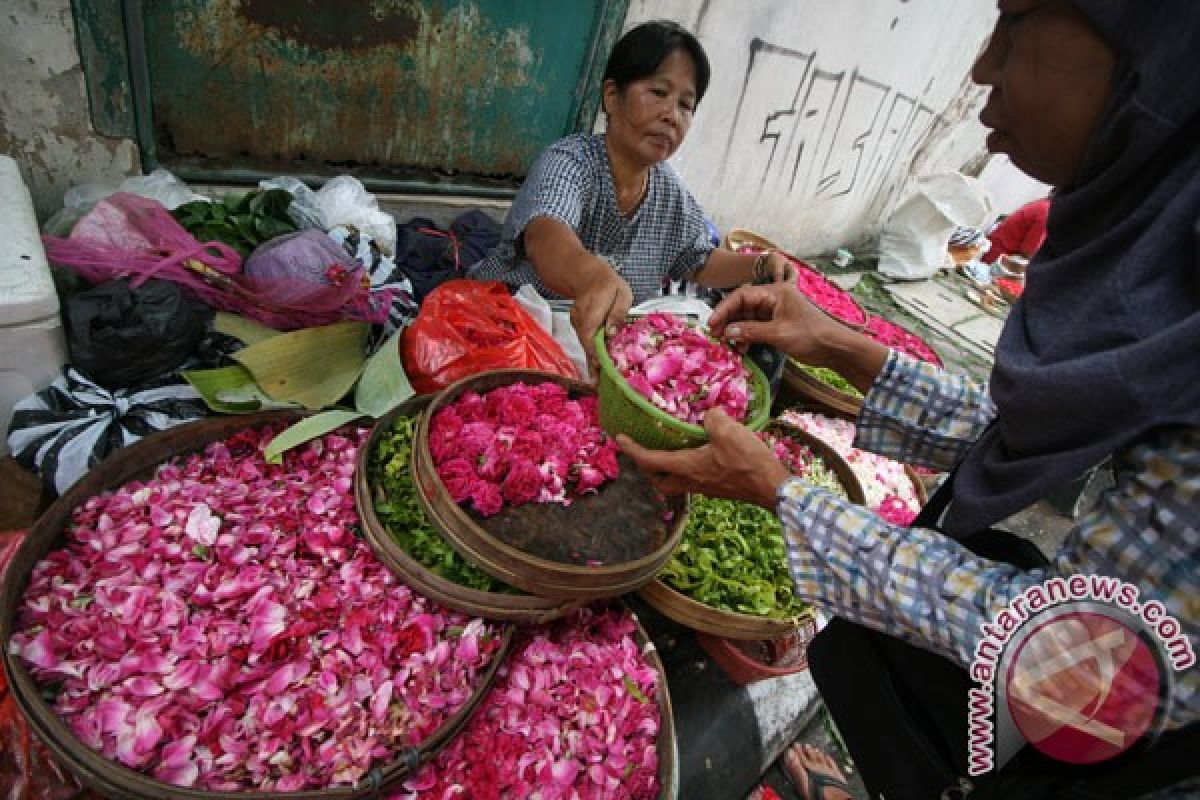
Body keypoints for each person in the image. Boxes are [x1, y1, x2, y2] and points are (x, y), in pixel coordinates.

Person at [620, 1, 1199, 798]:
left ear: (1160, 58)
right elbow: (1025, 438)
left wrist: (781, 495)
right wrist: (837, 344)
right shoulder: (1146, 258)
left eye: (1017, 21)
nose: (983, 69)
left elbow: (1078, 669)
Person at [467, 20, 794, 374]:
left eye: (686, 104)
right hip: (511, 336)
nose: (671, 115)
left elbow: (697, 260)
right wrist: (593, 277)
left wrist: (761, 264)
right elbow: (546, 234)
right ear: (611, 95)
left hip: (592, 354)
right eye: (658, 93)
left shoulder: (669, 191)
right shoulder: (571, 162)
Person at [981, 195, 1051, 264]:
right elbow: (1027, 253)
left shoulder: (1044, 205)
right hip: (997, 258)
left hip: (997, 251)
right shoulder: (1046, 213)